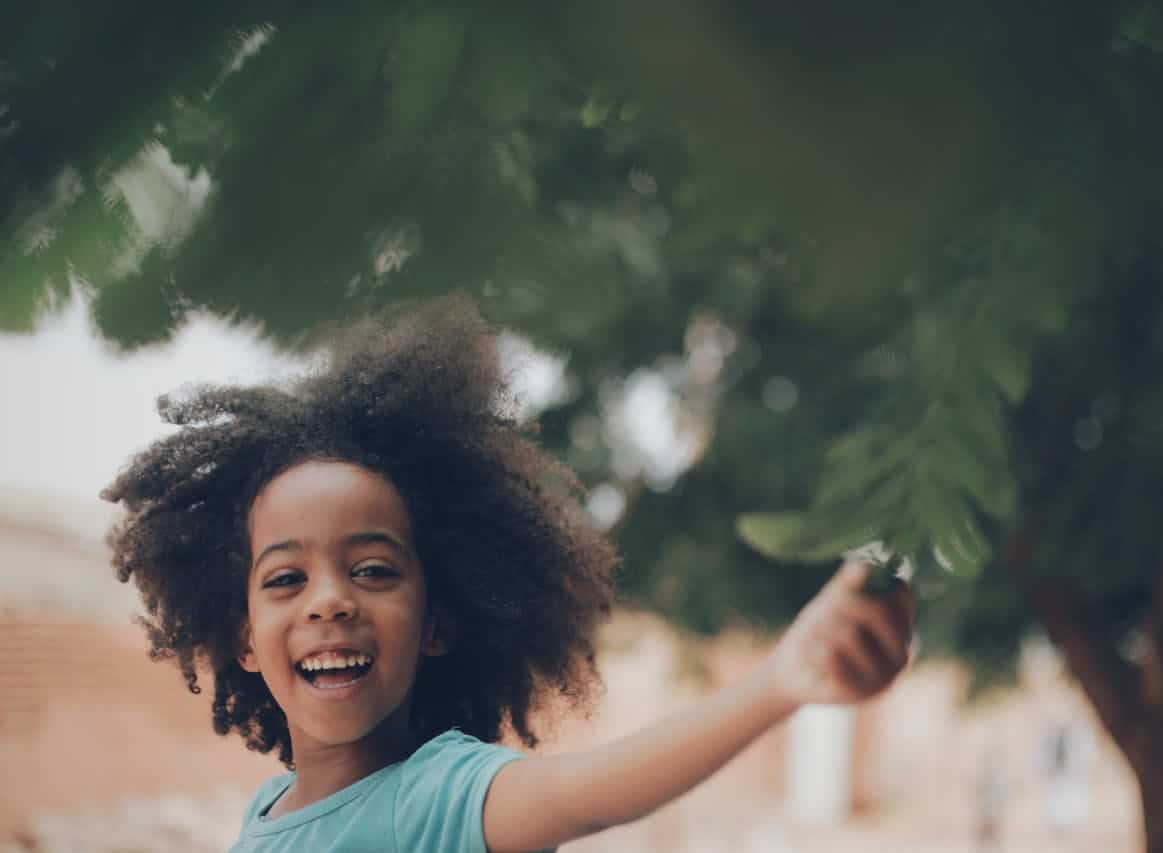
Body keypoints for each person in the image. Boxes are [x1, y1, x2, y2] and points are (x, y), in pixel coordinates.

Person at [103, 296, 916, 853]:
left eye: (374, 568)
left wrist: (779, 681)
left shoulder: (442, 795)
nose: (330, 600)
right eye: (285, 578)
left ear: (437, 622)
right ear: (243, 637)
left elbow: (594, 788)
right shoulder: (264, 812)